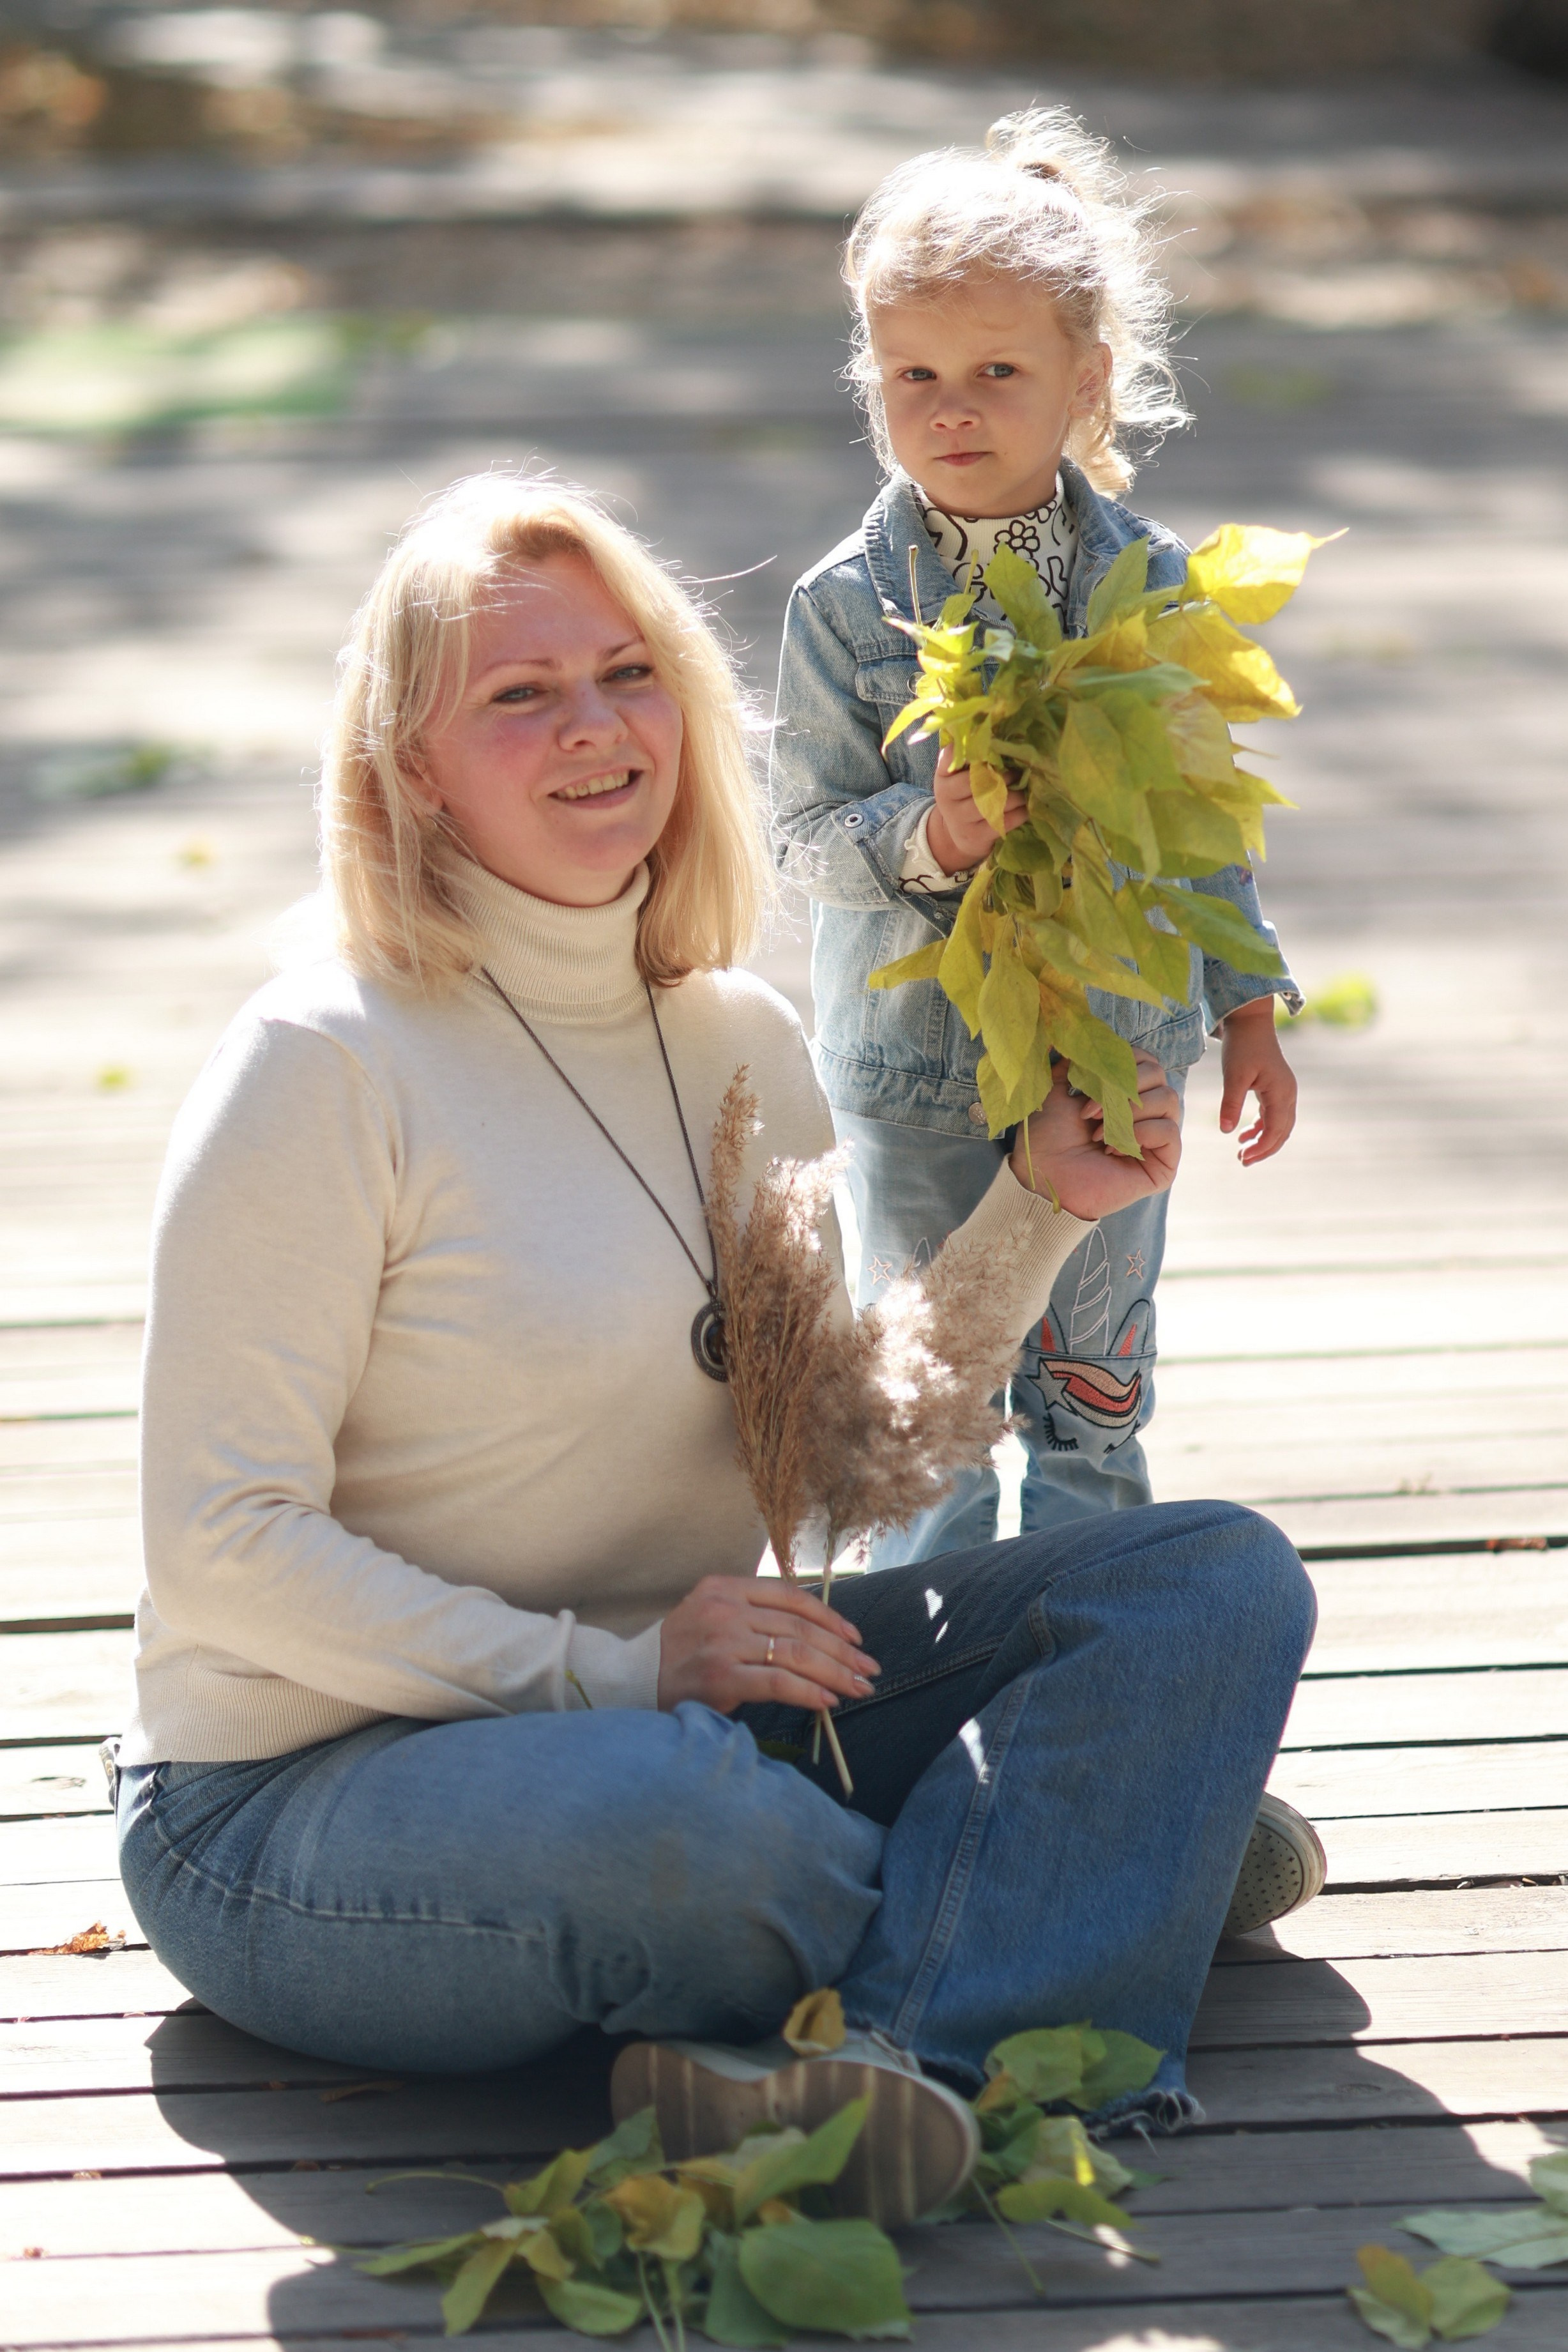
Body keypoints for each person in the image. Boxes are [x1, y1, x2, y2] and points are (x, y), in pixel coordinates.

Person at [113, 475, 1315, 2227]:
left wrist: (1039, 1211)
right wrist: (612, 1672)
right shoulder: (321, 1059)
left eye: (629, 671)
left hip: (702, 1703)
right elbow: (216, 1553)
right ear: (411, 765)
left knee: (1209, 1583)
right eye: (518, 695)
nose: (596, 728)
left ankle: (916, 2049)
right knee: (682, 1824)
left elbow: (837, 1458)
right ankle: (1089, 1888)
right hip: (308, 1796)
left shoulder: (734, 1035)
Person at [769, 107, 1304, 1568]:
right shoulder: (841, 606)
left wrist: (1248, 1004)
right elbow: (801, 836)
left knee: (1093, 1394)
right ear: (870, 381)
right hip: (920, 1071)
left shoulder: (1145, 581)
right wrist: (928, 834)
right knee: (926, 1405)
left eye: (997, 371)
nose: (952, 406)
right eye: (913, 375)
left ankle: (1089, 1658)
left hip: (1117, 1041)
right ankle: (927, 1687)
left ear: (1084, 379)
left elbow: (1197, 819)